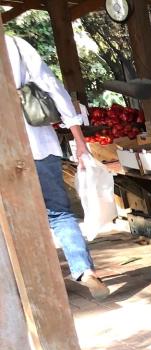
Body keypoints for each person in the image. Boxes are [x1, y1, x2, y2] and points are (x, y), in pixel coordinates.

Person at [5, 33, 109, 299]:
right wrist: (79, 139)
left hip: (5, 154)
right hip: (39, 145)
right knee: (60, 213)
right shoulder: (15, 44)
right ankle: (84, 270)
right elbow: (52, 87)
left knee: (12, 221)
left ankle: (33, 285)